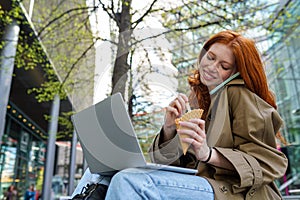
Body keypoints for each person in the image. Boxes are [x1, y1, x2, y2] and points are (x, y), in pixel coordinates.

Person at [72, 30, 288, 199]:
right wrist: (169, 129)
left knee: (129, 181)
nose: (211, 67)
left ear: (237, 73)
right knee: (97, 173)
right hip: (201, 182)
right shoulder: (199, 98)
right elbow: (170, 164)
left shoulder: (240, 96)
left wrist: (208, 153)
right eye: (210, 57)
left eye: (223, 66)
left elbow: (270, 163)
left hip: (234, 193)